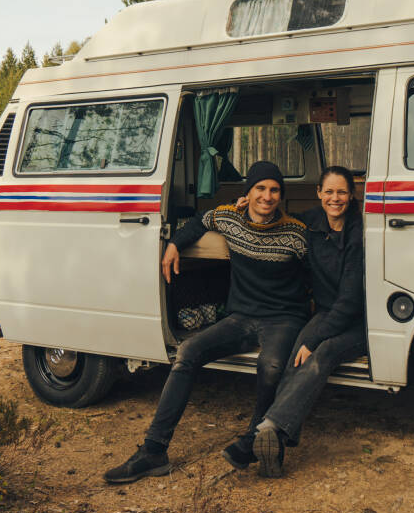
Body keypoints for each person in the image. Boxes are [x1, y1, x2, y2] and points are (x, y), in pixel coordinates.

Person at [103, 160, 308, 484]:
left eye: (274, 190)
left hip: (283, 318)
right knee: (187, 351)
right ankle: (154, 450)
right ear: (248, 192)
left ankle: (259, 439)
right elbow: (199, 222)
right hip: (240, 318)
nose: (267, 196)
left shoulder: (296, 233)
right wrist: (173, 245)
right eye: (260, 188)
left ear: (280, 195)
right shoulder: (229, 217)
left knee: (270, 366)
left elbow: (319, 269)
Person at [228, 165, 366, 478]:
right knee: (294, 357)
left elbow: (351, 300)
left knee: (323, 352)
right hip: (326, 313)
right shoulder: (309, 221)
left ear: (351, 195)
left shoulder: (359, 232)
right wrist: (245, 206)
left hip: (360, 321)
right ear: (318, 193)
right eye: (328, 191)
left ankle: (263, 432)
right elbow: (273, 220)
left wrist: (314, 339)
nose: (335, 198)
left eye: (342, 192)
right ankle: (268, 438)